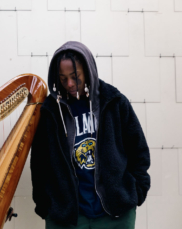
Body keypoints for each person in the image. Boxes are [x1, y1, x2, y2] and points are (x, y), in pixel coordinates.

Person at [30, 41, 150, 229]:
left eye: (75, 76)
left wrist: (137, 191)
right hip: (68, 217)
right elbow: (39, 163)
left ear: (88, 70)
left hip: (115, 214)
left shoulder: (114, 101)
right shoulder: (51, 111)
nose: (69, 84)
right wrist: (45, 205)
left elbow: (138, 150)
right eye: (62, 78)